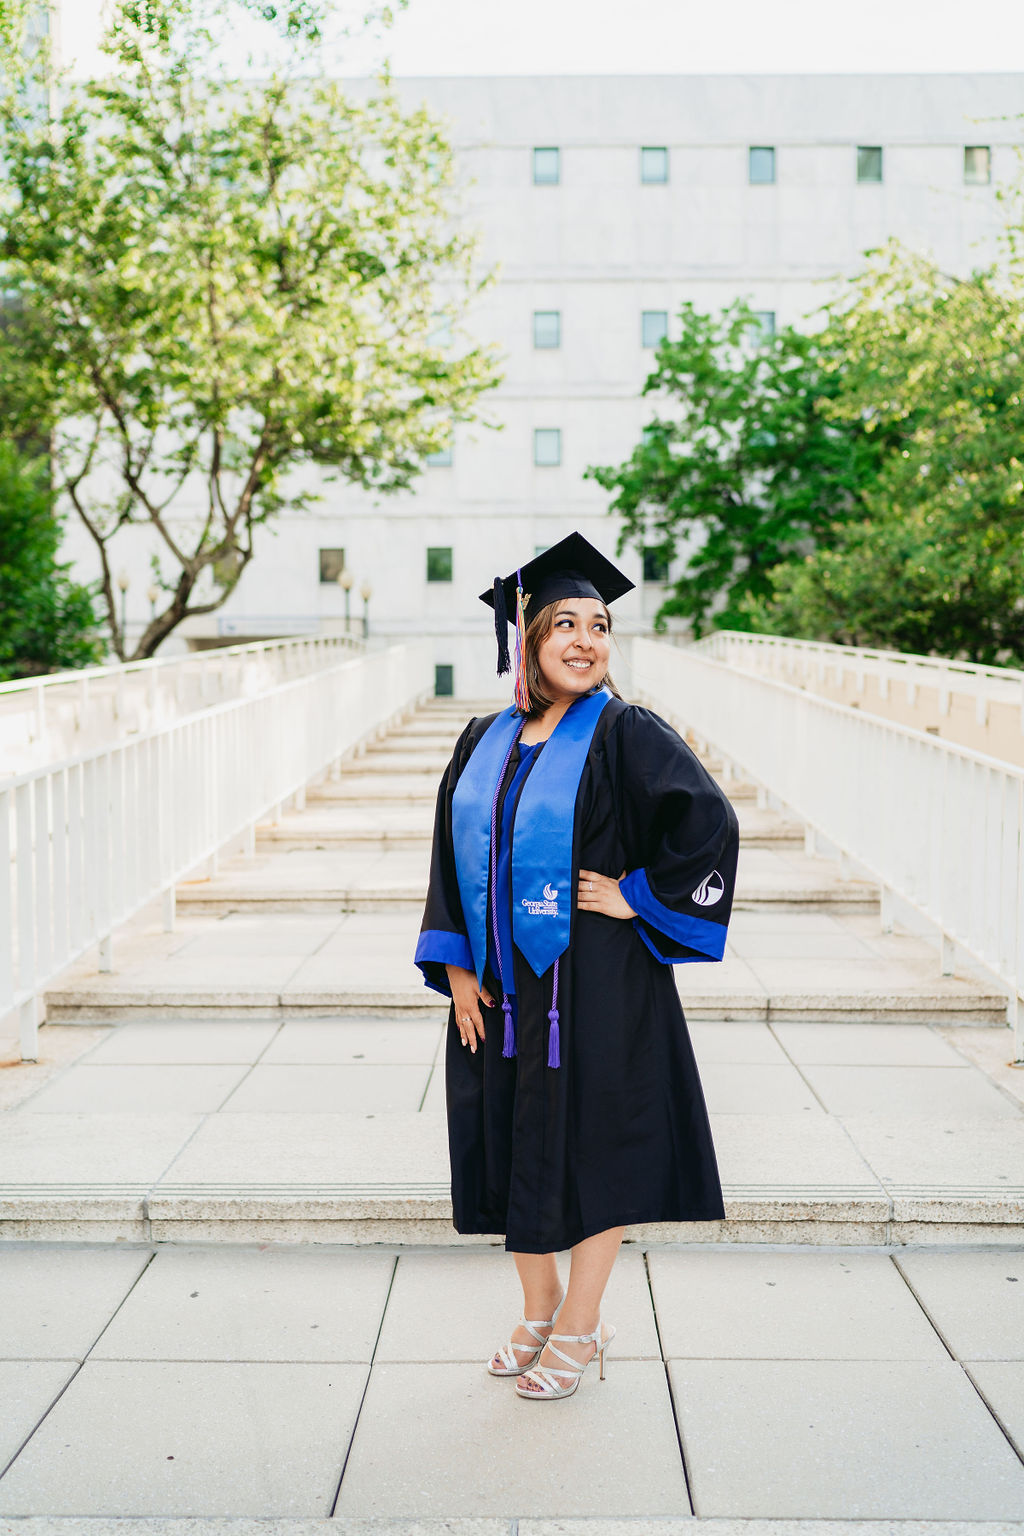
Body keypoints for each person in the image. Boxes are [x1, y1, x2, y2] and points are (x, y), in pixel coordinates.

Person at [414, 531, 739, 1401]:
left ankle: (583, 1324)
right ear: (528, 641)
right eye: (565, 623)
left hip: (598, 984)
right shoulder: (483, 739)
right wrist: (457, 972)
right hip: (505, 989)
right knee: (507, 1138)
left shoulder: (627, 732)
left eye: (599, 625)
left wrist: (639, 896)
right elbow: (448, 858)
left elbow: (707, 821)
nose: (587, 640)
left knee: (598, 1150)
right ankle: (539, 1303)